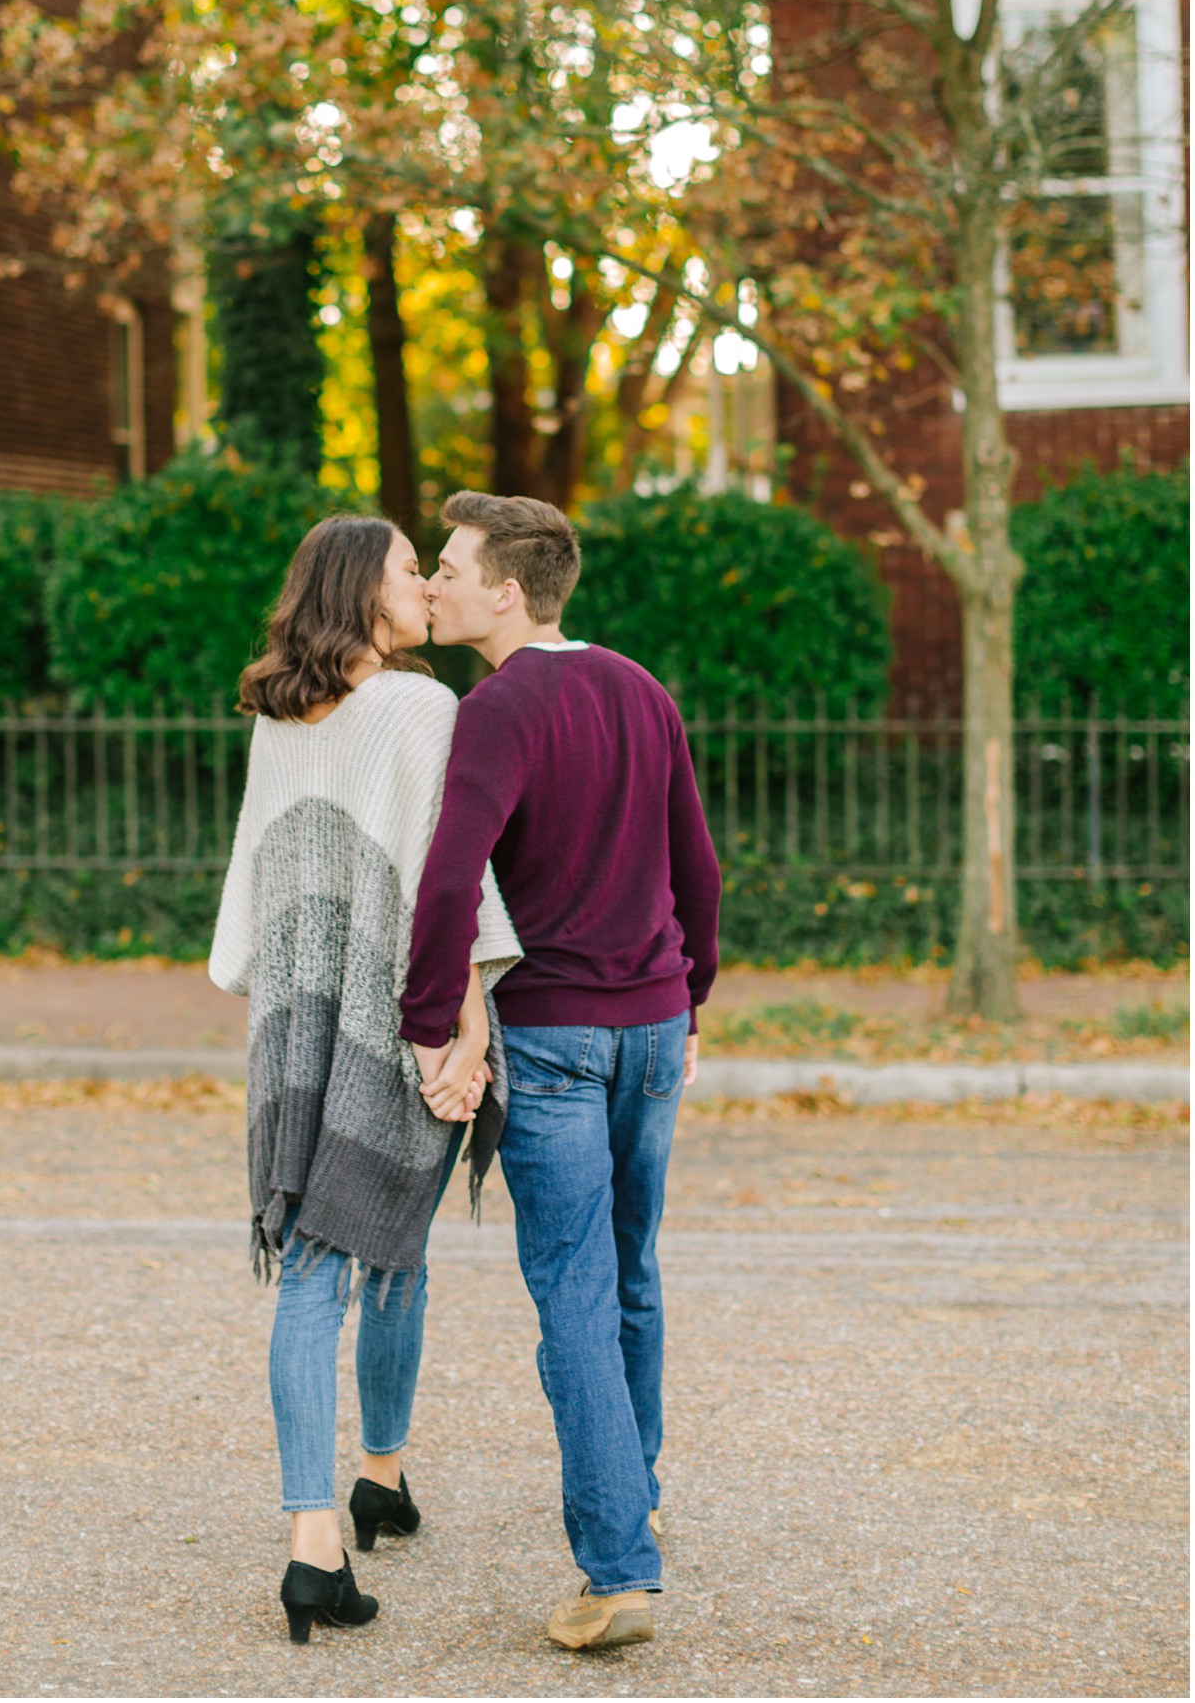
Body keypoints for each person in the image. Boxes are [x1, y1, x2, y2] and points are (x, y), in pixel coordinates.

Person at [403, 491, 721, 1653]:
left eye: (448, 565)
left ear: (506, 589)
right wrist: (696, 994)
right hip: (650, 1026)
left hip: (550, 1039)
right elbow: (698, 861)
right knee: (631, 1270)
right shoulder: (640, 686)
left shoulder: (496, 708)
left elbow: (449, 881)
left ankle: (616, 1567)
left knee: (576, 1291)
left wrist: (430, 1019)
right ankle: (633, 1495)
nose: (433, 582)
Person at [209, 514, 520, 1646]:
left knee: (309, 1265)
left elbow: (258, 894)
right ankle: (358, 1492)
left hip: (296, 1030)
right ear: (363, 589)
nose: (425, 586)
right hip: (397, 1018)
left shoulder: (278, 719)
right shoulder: (419, 708)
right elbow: (451, 878)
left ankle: (331, 1518)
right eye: (408, 569)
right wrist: (466, 1032)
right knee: (390, 1244)